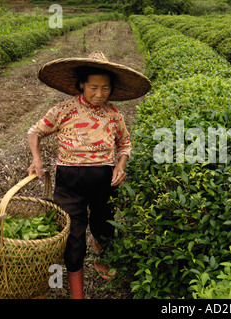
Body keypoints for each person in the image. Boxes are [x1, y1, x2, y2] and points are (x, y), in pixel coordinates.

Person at [27, 50, 151, 299]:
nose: (99, 94)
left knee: (103, 222)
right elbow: (34, 132)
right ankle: (77, 292)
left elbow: (125, 143)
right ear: (81, 84)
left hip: (104, 180)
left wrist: (120, 165)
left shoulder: (114, 115)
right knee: (72, 237)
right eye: (93, 87)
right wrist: (37, 159)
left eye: (105, 88)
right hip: (69, 182)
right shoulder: (64, 110)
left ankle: (102, 251)